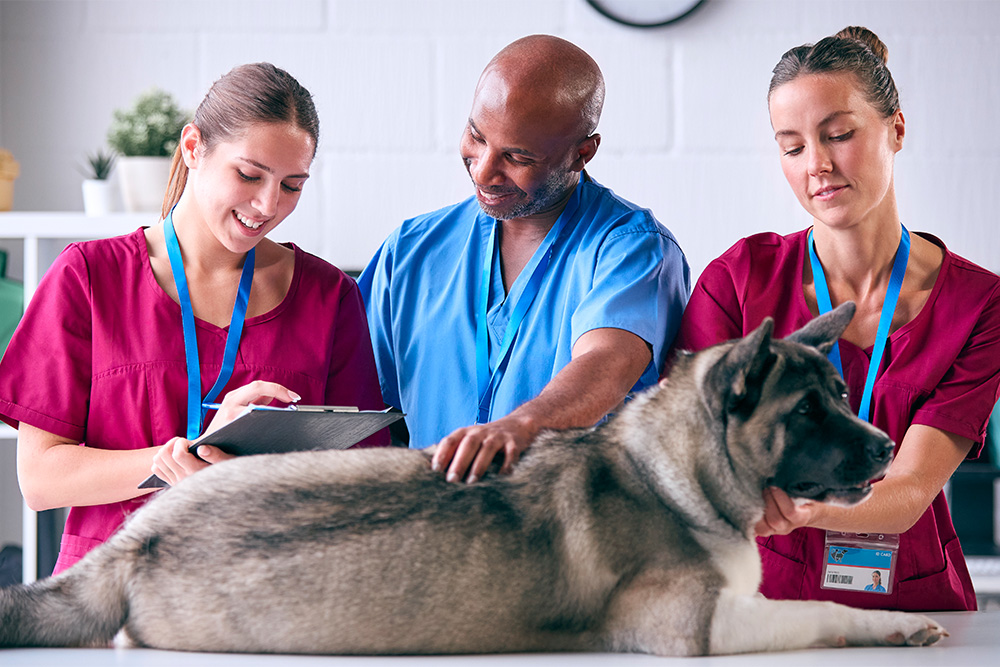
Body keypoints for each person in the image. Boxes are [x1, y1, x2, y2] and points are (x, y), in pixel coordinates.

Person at [0, 63, 386, 576]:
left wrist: (252, 479)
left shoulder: (330, 296)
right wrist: (193, 460)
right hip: (109, 600)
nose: (268, 204)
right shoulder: (88, 276)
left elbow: (362, 483)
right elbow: (42, 478)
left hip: (262, 595)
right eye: (249, 175)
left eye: (292, 185)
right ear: (192, 147)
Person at [670, 26, 1000, 611]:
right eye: (792, 147)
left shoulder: (979, 304)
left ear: (896, 129)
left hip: (910, 608)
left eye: (839, 134)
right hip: (758, 607)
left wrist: (797, 507)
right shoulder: (738, 281)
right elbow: (691, 447)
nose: (817, 165)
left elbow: (910, 488)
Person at [358, 35, 689, 484]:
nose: (483, 170)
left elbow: (606, 364)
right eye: (476, 136)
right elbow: (357, 400)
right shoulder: (411, 250)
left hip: (561, 540)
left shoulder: (631, 248)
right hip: (430, 530)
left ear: (582, 153)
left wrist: (520, 426)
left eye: (517, 157)